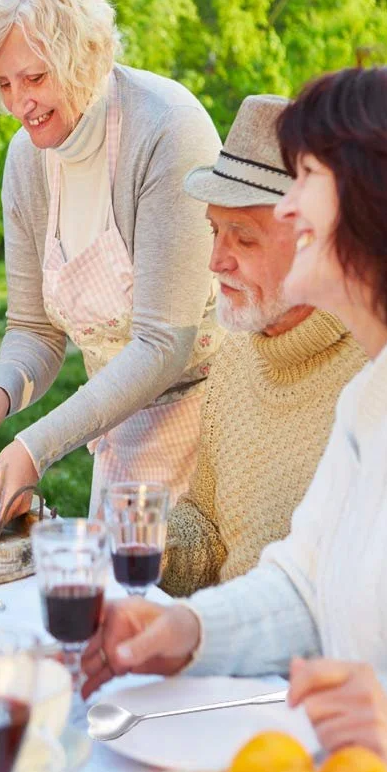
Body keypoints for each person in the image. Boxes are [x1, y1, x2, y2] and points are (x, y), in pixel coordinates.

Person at [81, 64, 387, 772]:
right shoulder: (376, 391)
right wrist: (188, 631)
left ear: (381, 202)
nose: (289, 203)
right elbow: (306, 585)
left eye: (307, 176)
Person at [0, 0, 224, 517]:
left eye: (35, 78)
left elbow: (164, 343)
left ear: (83, 56)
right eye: (4, 83)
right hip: (113, 424)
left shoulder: (168, 131)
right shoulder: (27, 161)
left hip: (212, 428)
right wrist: (0, 392)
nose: (19, 103)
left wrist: (36, 447)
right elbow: (34, 330)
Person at [160, 94, 366, 596]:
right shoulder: (237, 352)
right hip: (231, 635)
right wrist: (141, 543)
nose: (216, 261)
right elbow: (208, 525)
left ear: (314, 239)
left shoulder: (376, 373)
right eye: (215, 231)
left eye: (244, 238)